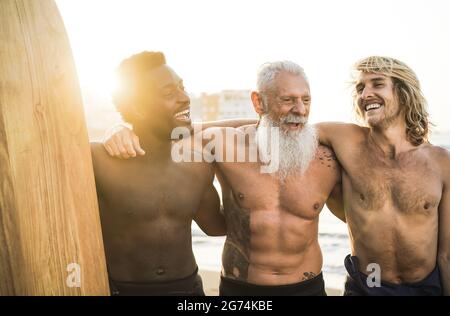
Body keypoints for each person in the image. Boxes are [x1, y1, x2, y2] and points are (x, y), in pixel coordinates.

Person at [104, 61, 344, 296]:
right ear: (258, 102)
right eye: (288, 100)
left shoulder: (327, 159)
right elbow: (171, 131)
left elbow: (356, 217)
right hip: (240, 289)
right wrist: (124, 128)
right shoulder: (222, 144)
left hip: (307, 288)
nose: (300, 110)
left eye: (306, 100)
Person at [91, 51, 227, 296]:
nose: (185, 98)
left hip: (188, 291)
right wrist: (116, 128)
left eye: (182, 87)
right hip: (123, 291)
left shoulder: (197, 163)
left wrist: (249, 194)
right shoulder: (99, 161)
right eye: (168, 93)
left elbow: (215, 227)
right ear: (138, 108)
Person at [317, 56, 449, 296]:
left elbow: (447, 253)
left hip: (425, 288)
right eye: (360, 88)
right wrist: (225, 134)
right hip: (368, 285)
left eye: (377, 84)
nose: (365, 94)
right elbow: (284, 131)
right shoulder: (344, 140)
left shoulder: (441, 162)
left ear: (404, 93)